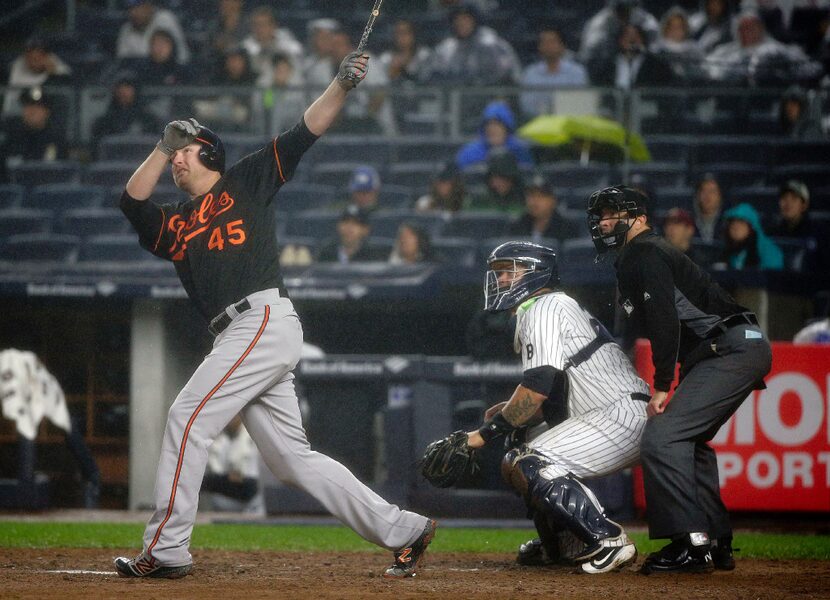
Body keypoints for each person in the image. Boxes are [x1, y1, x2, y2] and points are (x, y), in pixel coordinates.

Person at [115, 50, 435, 579]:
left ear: (211, 155)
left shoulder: (244, 179)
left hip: (259, 318)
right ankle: (404, 528)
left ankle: (167, 549)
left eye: (187, 152)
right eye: (176, 154)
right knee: (290, 461)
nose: (178, 160)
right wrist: (161, 146)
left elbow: (304, 130)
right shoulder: (176, 223)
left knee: (185, 418)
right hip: (237, 334)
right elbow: (131, 201)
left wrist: (340, 84)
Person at [586, 185, 772, 573]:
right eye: (600, 214)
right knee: (689, 440)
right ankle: (717, 540)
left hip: (730, 346)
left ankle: (688, 542)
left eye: (612, 213)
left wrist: (662, 383)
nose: (603, 221)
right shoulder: (637, 256)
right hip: (729, 346)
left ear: (637, 217)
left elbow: (664, 320)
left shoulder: (646, 251)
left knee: (662, 435)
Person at [463, 241, 648, 573]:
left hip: (619, 416)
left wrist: (481, 435)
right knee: (519, 442)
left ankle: (607, 538)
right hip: (606, 412)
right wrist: (512, 414)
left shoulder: (544, 306)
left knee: (530, 461)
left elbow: (538, 387)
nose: (502, 279)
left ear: (536, 274)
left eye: (510, 271)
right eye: (499, 272)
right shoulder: (548, 307)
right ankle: (566, 541)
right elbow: (555, 393)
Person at [427, 3, 522, 85]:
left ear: (475, 21)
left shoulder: (491, 43)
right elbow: (434, 74)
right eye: (458, 20)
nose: (461, 23)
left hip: (489, 98)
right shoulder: (447, 47)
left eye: (466, 19)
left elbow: (508, 76)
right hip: (456, 100)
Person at [519, 27, 588, 119]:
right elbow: (527, 105)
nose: (549, 46)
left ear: (562, 46)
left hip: (569, 121)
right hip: (539, 122)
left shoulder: (577, 72)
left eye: (552, 42)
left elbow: (581, 102)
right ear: (539, 47)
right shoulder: (530, 73)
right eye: (545, 43)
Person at [201, 415, 264, 515]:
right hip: (223, 503)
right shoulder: (217, 438)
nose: (230, 417)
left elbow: (249, 486)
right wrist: (227, 478)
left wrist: (219, 480)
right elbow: (206, 481)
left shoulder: (252, 436)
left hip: (252, 504)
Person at [2, 36, 72, 118]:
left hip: (53, 117)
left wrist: (53, 74)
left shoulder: (57, 68)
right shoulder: (14, 69)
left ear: (46, 56)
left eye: (38, 57)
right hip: (20, 116)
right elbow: (10, 106)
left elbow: (68, 94)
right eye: (30, 57)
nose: (34, 61)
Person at [456, 100, 534, 171]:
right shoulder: (469, 153)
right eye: (489, 125)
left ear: (507, 128)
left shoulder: (519, 149)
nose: (492, 129)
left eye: (497, 125)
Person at [1, 87, 67, 164]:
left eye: (38, 106)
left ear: (47, 112)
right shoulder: (11, 139)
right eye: (28, 106)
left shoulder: (56, 140)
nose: (32, 111)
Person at [506, 173, 578, 243]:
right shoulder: (517, 226)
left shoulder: (567, 228)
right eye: (531, 195)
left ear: (553, 200)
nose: (534, 201)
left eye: (541, 196)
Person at [92, 71, 161, 144]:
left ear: (135, 90)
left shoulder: (150, 120)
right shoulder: (103, 123)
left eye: (127, 86)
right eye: (119, 87)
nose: (122, 91)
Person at [241, 5, 302, 86]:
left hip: (289, 87)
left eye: (263, 24)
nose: (259, 28)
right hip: (259, 87)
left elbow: (297, 59)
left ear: (274, 25)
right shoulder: (246, 46)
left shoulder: (287, 42)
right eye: (256, 24)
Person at [116, 0, 189, 64]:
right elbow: (122, 62)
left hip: (169, 74)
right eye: (130, 9)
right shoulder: (126, 29)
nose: (133, 13)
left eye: (138, 7)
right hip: (139, 77)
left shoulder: (165, 19)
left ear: (148, 5)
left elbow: (181, 58)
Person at [718, 203, 784, 271]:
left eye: (741, 223)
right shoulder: (728, 250)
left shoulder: (769, 252)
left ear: (752, 227)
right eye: (732, 223)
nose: (735, 227)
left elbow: (770, 279)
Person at [316, 205, 387, 264]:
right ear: (338, 226)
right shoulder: (326, 252)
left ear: (365, 230)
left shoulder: (373, 255)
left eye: (355, 223)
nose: (349, 227)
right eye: (345, 222)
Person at [651, 6, 704, 83]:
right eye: (672, 27)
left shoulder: (694, 50)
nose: (676, 30)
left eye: (679, 27)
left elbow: (700, 72)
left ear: (686, 29)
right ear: (665, 28)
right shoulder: (656, 50)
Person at [378, 19, 432, 84]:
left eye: (406, 33)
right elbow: (380, 84)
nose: (402, 37)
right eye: (399, 33)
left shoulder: (424, 55)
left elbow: (427, 79)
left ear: (413, 35)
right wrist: (392, 72)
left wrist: (407, 65)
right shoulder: (386, 58)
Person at [692, 174, 724, 243]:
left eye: (712, 191)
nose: (708, 195)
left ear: (720, 196)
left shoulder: (728, 221)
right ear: (697, 195)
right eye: (704, 191)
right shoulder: (689, 221)